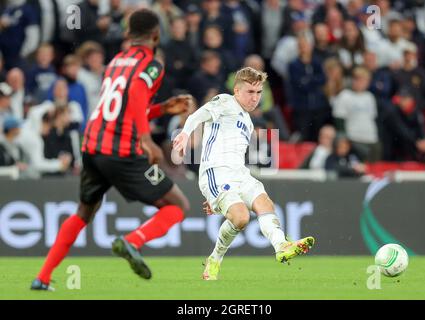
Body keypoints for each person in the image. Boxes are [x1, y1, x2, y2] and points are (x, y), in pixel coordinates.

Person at [31, 8, 191, 291]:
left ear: (128, 34)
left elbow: (121, 107)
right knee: (178, 206)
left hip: (92, 146)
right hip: (120, 150)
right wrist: (146, 139)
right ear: (156, 35)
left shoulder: (116, 61)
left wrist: (161, 109)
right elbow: (136, 94)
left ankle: (42, 278)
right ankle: (132, 241)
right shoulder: (152, 64)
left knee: (84, 212)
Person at [173, 67, 315, 281]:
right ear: (237, 91)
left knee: (265, 204)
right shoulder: (225, 101)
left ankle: (281, 246)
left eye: (259, 93)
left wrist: (217, 201)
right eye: (250, 92)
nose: (255, 98)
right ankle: (215, 259)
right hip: (216, 172)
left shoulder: (248, 121)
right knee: (241, 218)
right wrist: (185, 134)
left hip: (240, 174)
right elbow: (198, 114)